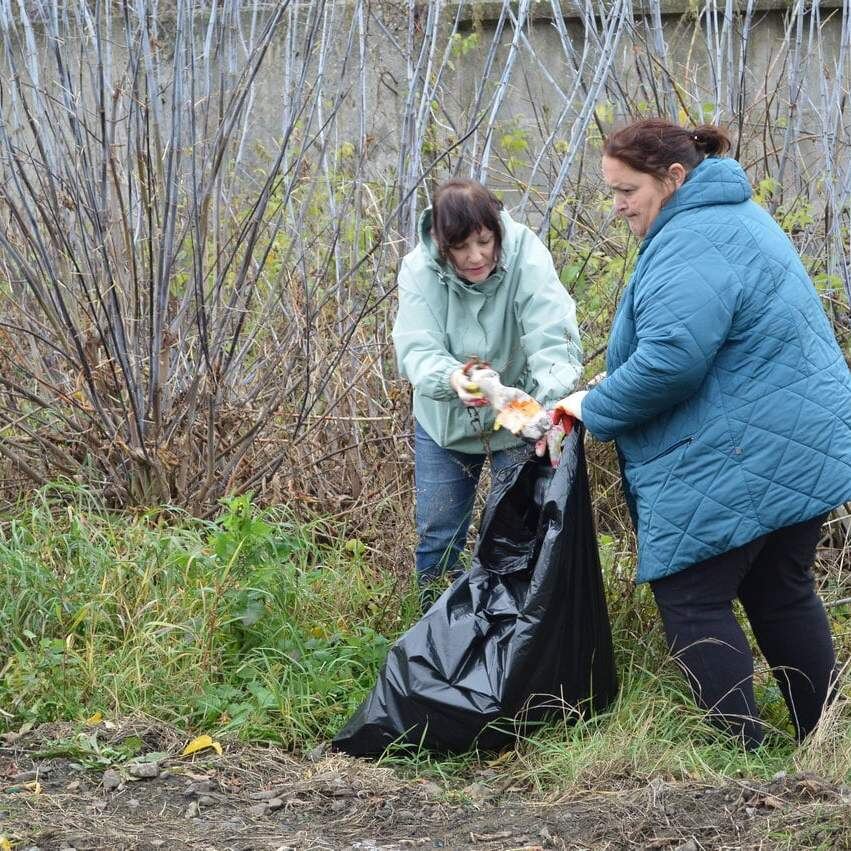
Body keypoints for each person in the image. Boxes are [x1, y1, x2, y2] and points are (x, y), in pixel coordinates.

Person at [554, 118, 851, 748]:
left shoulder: (691, 238)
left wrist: (593, 406)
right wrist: (617, 378)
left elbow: (672, 361)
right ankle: (825, 740)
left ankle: (742, 750)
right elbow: (709, 343)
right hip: (794, 440)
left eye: (627, 190)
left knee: (691, 596)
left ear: (672, 178)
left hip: (747, 447)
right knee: (779, 589)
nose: (617, 206)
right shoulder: (734, 215)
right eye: (612, 191)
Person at [392, 178, 582, 602]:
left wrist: (549, 409)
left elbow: (552, 334)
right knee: (439, 534)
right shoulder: (419, 270)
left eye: (483, 241)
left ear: (496, 229)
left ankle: (506, 629)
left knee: (515, 534)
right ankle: (435, 627)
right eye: (460, 247)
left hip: (520, 419)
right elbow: (417, 347)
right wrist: (455, 379)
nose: (475, 256)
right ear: (441, 243)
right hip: (445, 424)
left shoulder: (526, 253)